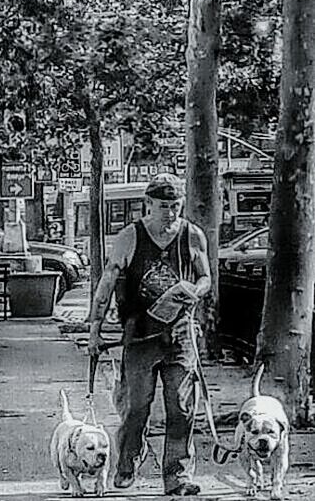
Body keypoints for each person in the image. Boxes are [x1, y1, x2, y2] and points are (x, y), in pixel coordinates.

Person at [87, 173, 211, 498]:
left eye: (175, 206)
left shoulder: (192, 236)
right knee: (136, 407)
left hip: (181, 334)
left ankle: (178, 476)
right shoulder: (130, 237)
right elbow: (106, 284)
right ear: (148, 204)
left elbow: (205, 277)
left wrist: (195, 290)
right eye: (162, 206)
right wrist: (94, 331)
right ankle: (128, 458)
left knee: (181, 408)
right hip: (140, 335)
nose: (169, 213)